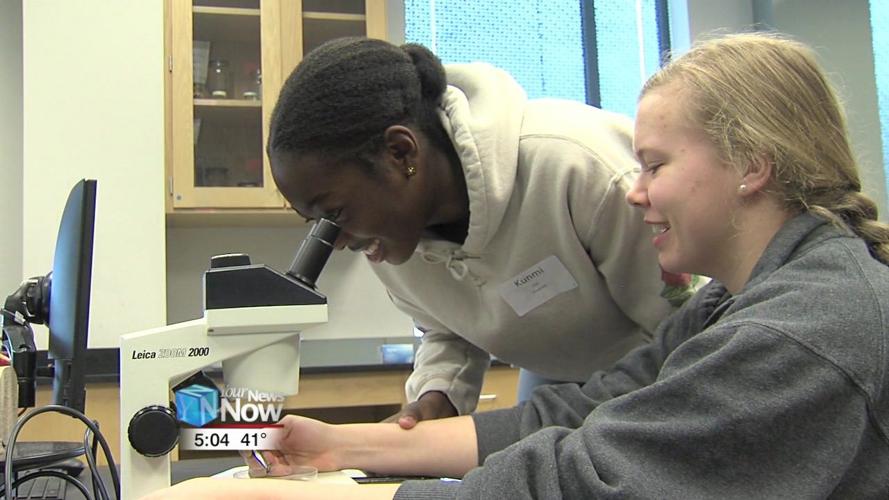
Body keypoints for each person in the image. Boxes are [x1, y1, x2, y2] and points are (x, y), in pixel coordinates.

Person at [144, 32, 889, 499]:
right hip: (609, 392)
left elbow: (603, 464)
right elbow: (561, 411)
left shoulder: (581, 174)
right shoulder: (740, 308)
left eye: (654, 164)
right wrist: (345, 444)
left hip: (650, 386)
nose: (635, 189)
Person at [266, 36, 694, 424]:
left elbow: (687, 329)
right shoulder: (394, 237)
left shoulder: (576, 168)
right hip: (558, 379)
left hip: (674, 367)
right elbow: (447, 327)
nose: (337, 242)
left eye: (336, 212)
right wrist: (439, 395)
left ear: (400, 153)